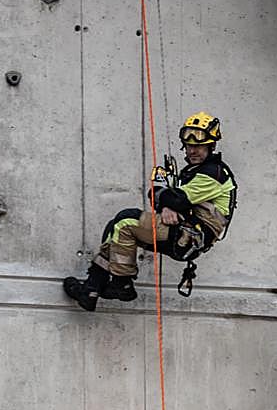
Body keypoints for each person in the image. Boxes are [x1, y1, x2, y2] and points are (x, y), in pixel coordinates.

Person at [64, 112, 238, 311]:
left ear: (211, 146)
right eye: (189, 146)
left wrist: (168, 200)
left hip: (190, 237)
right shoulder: (192, 172)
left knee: (126, 220)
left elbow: (177, 198)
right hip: (183, 230)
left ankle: (122, 284)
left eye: (198, 146)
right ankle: (91, 290)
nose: (192, 151)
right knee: (114, 229)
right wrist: (166, 205)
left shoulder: (214, 174)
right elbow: (158, 195)